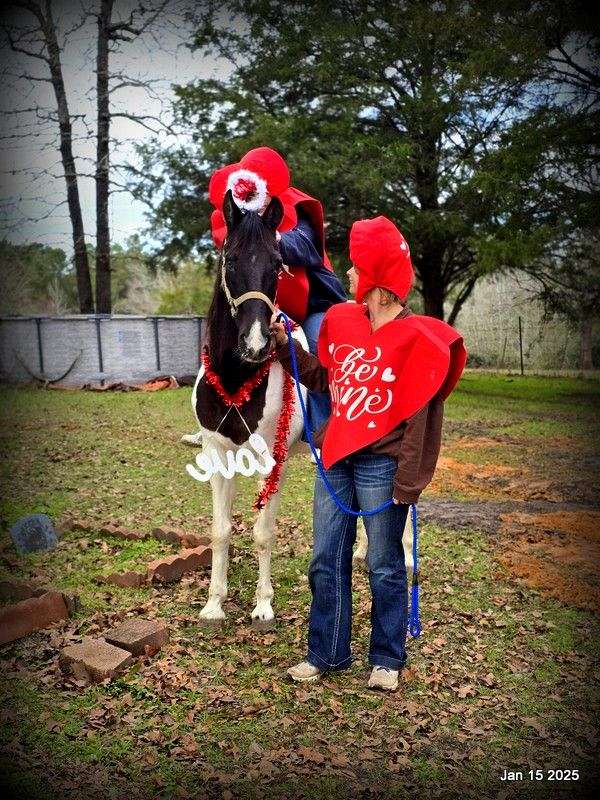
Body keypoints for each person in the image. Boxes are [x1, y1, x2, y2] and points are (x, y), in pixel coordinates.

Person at [270, 215, 466, 691]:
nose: (349, 276)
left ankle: (386, 659)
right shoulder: (341, 320)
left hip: (382, 464)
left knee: (383, 564)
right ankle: (327, 652)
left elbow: (422, 416)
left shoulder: (419, 337)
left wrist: (408, 482)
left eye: (357, 268)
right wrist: (283, 350)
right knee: (325, 558)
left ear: (378, 281)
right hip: (336, 457)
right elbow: (328, 380)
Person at [208, 147, 346, 436]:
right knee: (220, 334)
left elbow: (307, 248)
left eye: (257, 197)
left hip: (312, 306)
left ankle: (323, 428)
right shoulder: (240, 221)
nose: (252, 204)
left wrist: (270, 237)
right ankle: (211, 421)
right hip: (263, 304)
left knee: (320, 348)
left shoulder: (297, 212)